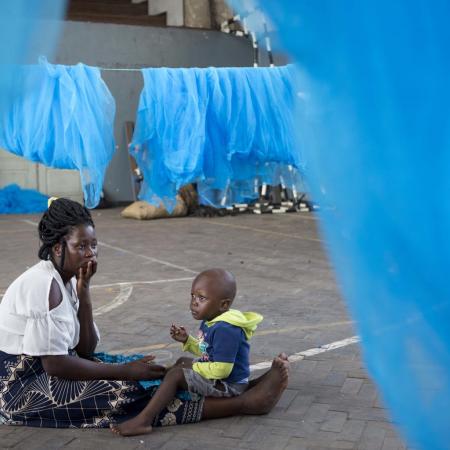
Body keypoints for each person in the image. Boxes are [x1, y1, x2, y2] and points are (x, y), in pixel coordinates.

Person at [0, 198, 290, 430]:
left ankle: (242, 388)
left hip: (50, 367)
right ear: (57, 247)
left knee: (138, 375)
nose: (90, 254)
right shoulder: (43, 285)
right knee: (127, 395)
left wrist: (85, 290)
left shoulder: (66, 280)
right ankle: (243, 404)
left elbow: (85, 350)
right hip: (20, 387)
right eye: (81, 246)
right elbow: (56, 366)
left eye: (93, 244)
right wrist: (125, 372)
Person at [111, 268, 263, 436]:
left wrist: (194, 368)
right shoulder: (212, 319)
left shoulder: (226, 329)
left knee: (177, 374)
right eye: (193, 296)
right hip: (221, 377)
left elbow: (222, 369)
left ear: (224, 304)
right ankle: (158, 390)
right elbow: (207, 351)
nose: (194, 302)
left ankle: (143, 421)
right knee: (183, 362)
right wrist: (187, 341)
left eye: (202, 298)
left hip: (230, 386)